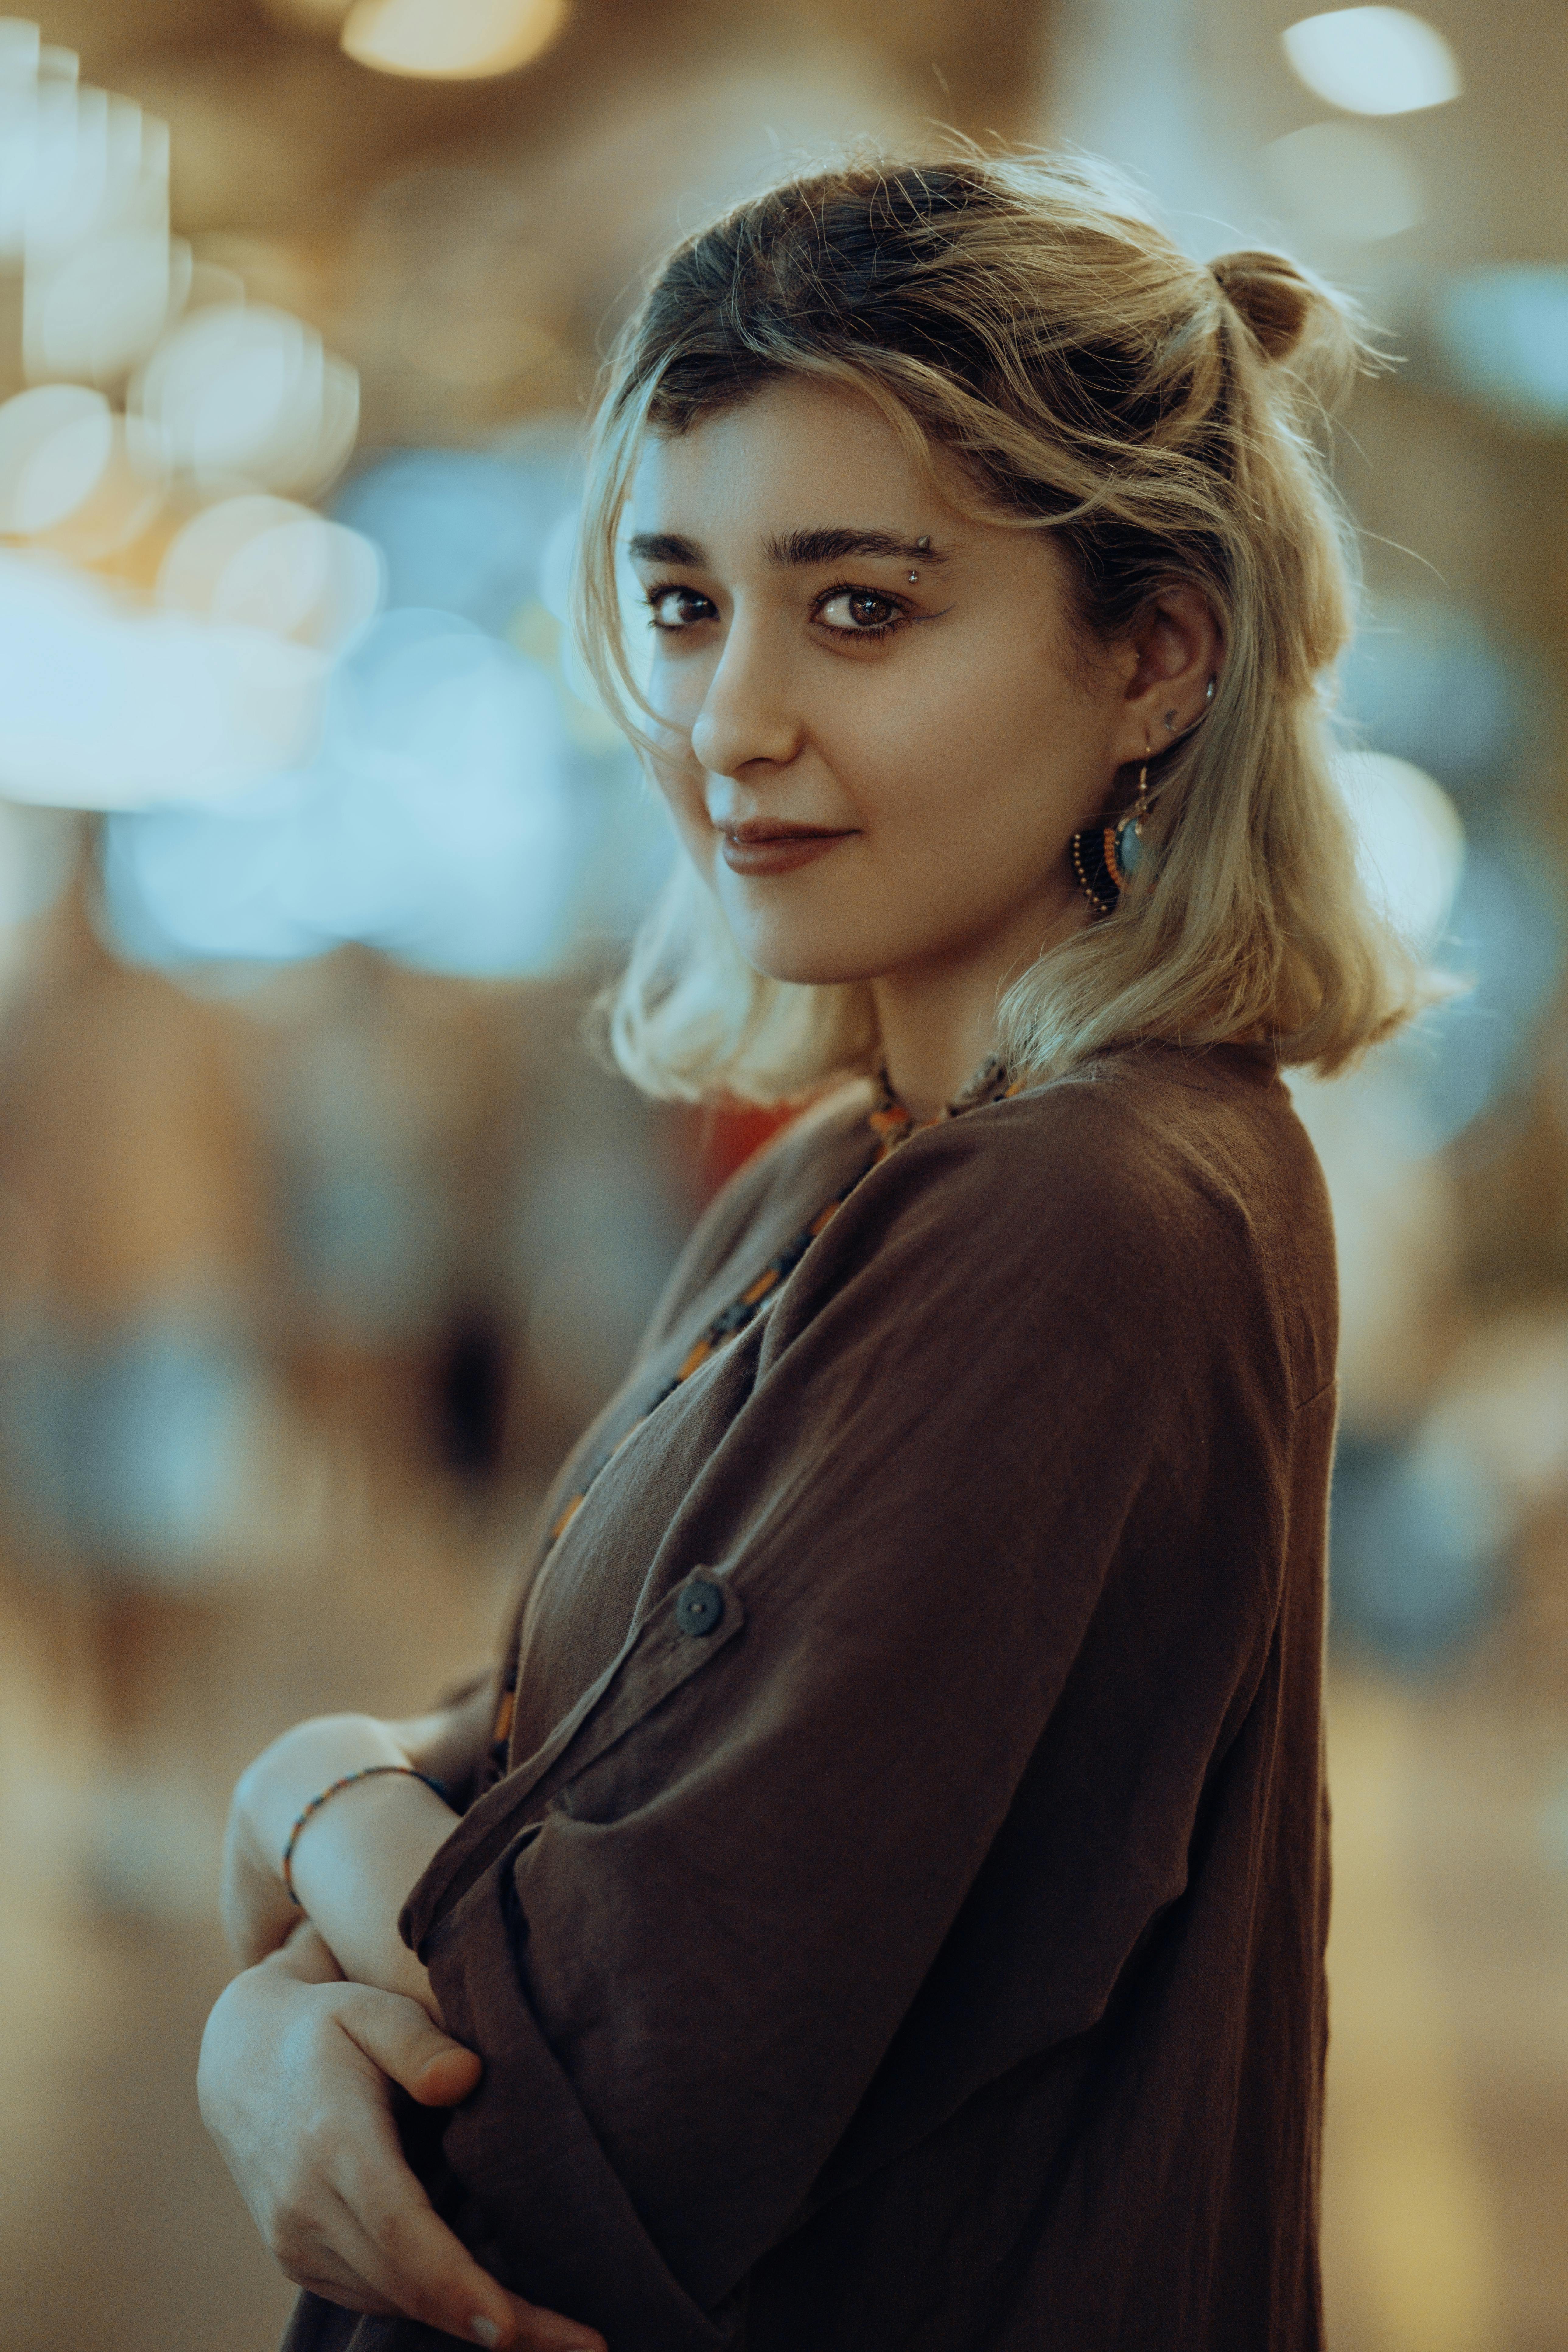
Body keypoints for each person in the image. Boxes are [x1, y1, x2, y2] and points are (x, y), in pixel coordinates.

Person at [199, 151, 1422, 2352]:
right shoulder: (851, 1169)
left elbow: (558, 2118)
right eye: (684, 603)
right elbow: (538, 1762)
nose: (728, 721)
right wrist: (327, 1822)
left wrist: (294, 1866)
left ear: (1154, 655)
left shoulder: (1084, 1214)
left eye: (860, 607)